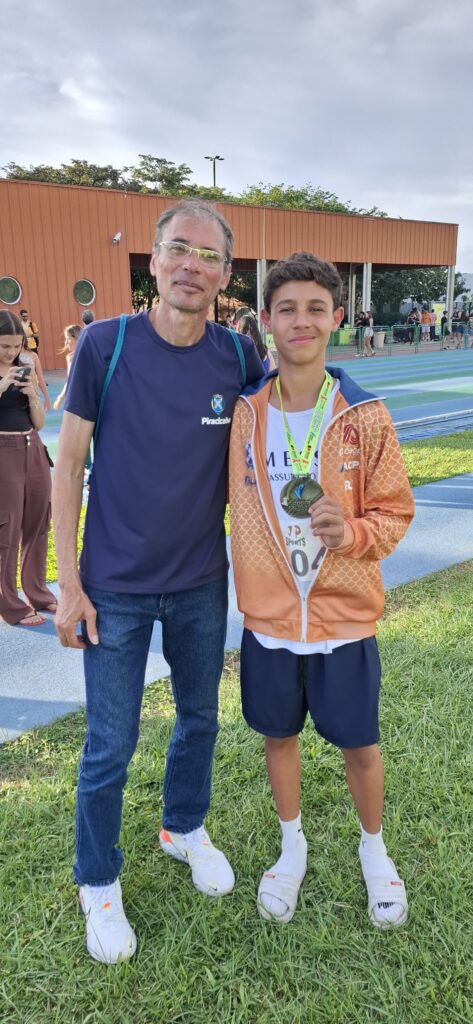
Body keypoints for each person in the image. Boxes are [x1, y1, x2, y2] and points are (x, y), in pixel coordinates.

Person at [52, 199, 264, 964]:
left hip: (202, 582)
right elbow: (69, 465)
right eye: (179, 249)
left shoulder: (238, 358)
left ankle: (183, 827)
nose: (191, 266)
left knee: (200, 719)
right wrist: (67, 584)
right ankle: (97, 881)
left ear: (223, 273)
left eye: (208, 256)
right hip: (113, 588)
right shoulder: (105, 346)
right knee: (110, 743)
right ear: (153, 257)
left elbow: (284, 434)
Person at [229, 251, 414, 930]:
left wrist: (354, 533)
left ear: (336, 319)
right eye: (286, 309)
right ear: (268, 322)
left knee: (357, 743)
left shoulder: (365, 415)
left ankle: (374, 851)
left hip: (344, 619)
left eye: (314, 308)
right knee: (278, 735)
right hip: (270, 620)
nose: (300, 321)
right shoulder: (245, 414)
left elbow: (394, 512)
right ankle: (291, 848)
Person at [0, 311, 56, 626]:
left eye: (16, 345)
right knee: (6, 529)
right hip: (3, 451)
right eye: (4, 346)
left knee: (38, 523)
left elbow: (39, 422)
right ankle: (9, 605)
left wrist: (32, 393)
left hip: (33, 447)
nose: (11, 352)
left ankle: (38, 593)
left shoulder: (25, 368)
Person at [53, 325, 82, 412]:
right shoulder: (70, 357)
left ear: (76, 337)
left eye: (68, 338)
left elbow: (71, 381)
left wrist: (60, 398)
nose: (66, 343)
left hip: (79, 401)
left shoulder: (72, 357)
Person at [19, 335, 51, 410]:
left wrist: (46, 398)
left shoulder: (33, 355)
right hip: (17, 394)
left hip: (33, 393)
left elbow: (40, 379)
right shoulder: (11, 356)